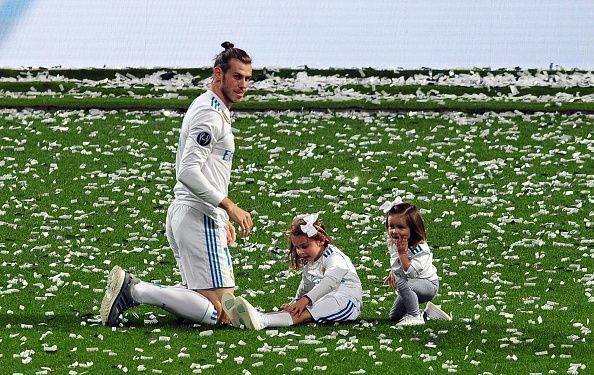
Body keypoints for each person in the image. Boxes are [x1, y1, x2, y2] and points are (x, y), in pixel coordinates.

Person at [100, 42, 254, 327]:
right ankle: (135, 289)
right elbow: (188, 171)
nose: (243, 84)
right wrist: (228, 207)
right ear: (218, 74)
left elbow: (207, 170)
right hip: (198, 217)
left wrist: (222, 215)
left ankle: (136, 290)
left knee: (215, 306)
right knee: (223, 314)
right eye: (237, 76)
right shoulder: (209, 114)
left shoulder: (212, 108)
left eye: (247, 78)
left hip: (196, 215)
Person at [221, 213, 363, 330]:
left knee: (305, 313)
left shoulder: (336, 258)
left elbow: (329, 283)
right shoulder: (311, 262)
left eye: (304, 246)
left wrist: (304, 301)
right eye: (297, 248)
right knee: (297, 310)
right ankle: (250, 318)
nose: (300, 252)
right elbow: (306, 285)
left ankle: (262, 321)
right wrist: (295, 302)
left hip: (347, 303)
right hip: (326, 298)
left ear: (321, 240)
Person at [380, 197, 452, 326]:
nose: (395, 231)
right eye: (391, 226)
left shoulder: (420, 248)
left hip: (429, 285)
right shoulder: (395, 243)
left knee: (402, 283)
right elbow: (398, 265)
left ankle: (415, 316)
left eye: (401, 227)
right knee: (395, 316)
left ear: (413, 229)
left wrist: (402, 254)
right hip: (411, 284)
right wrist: (393, 272)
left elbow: (411, 273)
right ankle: (428, 313)